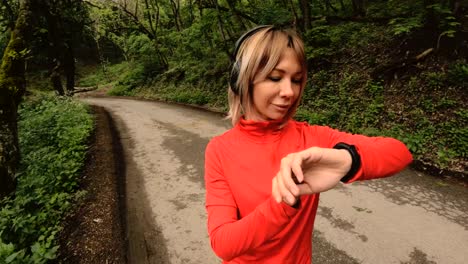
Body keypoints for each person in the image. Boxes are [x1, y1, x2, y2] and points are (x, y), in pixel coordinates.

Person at [204, 25, 413, 263]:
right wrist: (283, 203)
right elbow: (223, 243)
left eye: (296, 80)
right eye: (275, 77)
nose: (289, 91)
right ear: (242, 78)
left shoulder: (310, 139)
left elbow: (399, 152)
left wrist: (347, 161)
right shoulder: (219, 150)